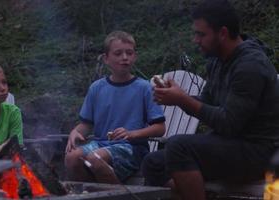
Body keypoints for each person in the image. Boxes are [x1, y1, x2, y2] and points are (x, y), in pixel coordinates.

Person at [142, 0, 279, 199]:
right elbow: (206, 102)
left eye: (201, 34)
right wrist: (176, 96)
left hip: (258, 152)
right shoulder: (217, 60)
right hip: (228, 144)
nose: (195, 40)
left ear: (222, 33)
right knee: (152, 163)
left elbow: (229, 123)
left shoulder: (250, 66)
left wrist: (182, 100)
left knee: (178, 147)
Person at [65, 30, 166, 184]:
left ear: (135, 56)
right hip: (101, 143)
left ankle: (117, 195)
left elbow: (160, 128)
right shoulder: (97, 88)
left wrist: (131, 134)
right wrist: (75, 132)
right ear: (106, 58)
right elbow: (86, 124)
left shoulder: (144, 88)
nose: (124, 57)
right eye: (118, 53)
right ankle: (92, 194)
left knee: (95, 158)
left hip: (132, 148)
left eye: (129, 53)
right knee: (72, 158)